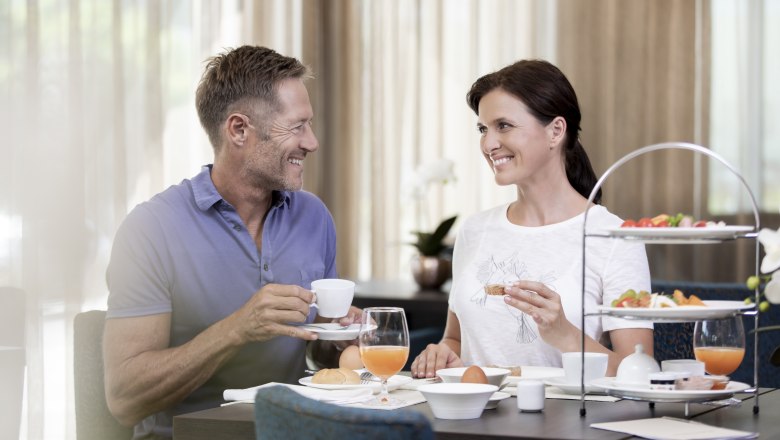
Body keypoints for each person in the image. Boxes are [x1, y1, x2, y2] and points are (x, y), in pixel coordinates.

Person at [103, 46, 358, 438]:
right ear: (239, 130)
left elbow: (316, 355)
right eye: (297, 126)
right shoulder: (151, 228)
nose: (312, 142)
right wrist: (238, 328)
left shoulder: (314, 217)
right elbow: (124, 399)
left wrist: (339, 335)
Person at [411, 60, 653, 378]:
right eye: (483, 129)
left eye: (504, 126)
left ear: (555, 131)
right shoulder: (475, 230)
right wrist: (442, 353)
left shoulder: (614, 237)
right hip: (473, 419)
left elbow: (642, 373)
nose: (488, 144)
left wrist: (565, 334)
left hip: (565, 425)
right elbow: (455, 339)